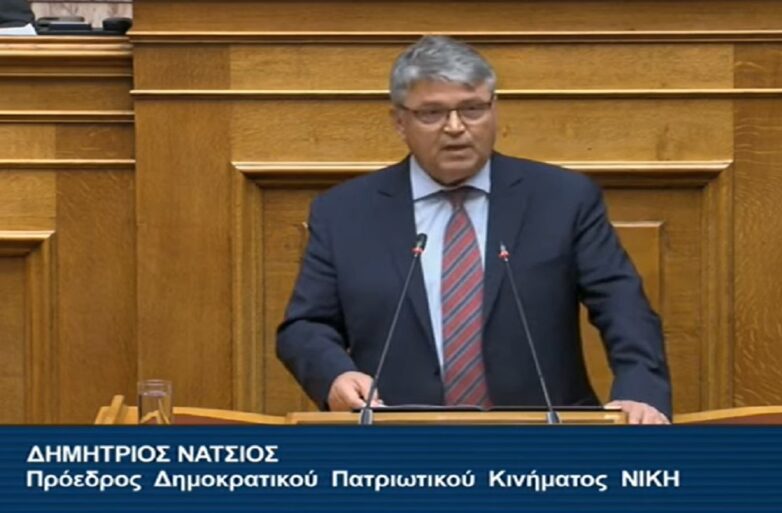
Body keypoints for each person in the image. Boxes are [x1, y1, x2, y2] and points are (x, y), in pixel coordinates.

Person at [277, 35, 671, 424]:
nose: (455, 127)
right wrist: (335, 376)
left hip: (546, 440)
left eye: (472, 109)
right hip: (399, 440)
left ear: (494, 109)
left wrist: (639, 393)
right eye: (432, 113)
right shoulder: (345, 212)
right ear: (399, 121)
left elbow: (623, 308)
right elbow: (306, 326)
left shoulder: (562, 199)